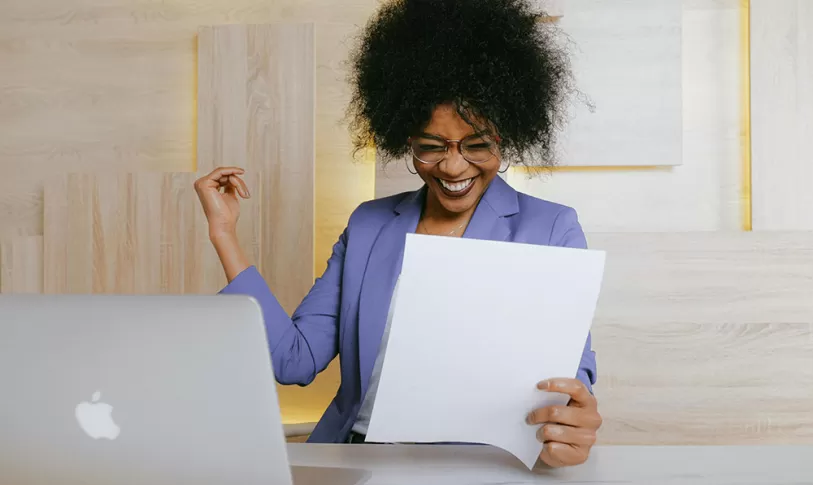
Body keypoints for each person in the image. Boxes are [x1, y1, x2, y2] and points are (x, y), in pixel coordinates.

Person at [194, 0, 601, 468]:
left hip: (478, 467)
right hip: (356, 460)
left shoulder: (550, 228)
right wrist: (224, 233)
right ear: (404, 137)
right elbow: (294, 361)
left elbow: (572, 372)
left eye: (477, 144)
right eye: (431, 146)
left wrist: (574, 417)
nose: (452, 166)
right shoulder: (369, 225)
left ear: (505, 136)